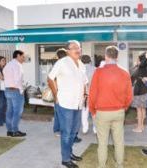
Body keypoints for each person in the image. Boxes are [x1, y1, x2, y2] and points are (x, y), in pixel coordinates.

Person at [89, 46, 133, 168]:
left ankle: (102, 166)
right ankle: (119, 165)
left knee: (102, 142)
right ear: (117, 57)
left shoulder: (98, 72)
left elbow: (92, 93)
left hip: (102, 112)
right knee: (119, 141)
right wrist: (124, 107)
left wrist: (92, 110)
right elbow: (129, 95)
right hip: (119, 111)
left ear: (106, 56)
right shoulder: (124, 72)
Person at [48, 40, 87, 168]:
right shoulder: (62, 62)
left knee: (73, 132)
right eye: (74, 47)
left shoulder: (81, 64)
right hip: (65, 103)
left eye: (79, 47)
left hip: (78, 104)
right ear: (68, 51)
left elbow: (84, 81)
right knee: (66, 132)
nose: (78, 49)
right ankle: (65, 159)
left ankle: (69, 153)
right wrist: (55, 95)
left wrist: (85, 93)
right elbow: (50, 78)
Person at [3, 50, 26, 137]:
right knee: (17, 112)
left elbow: (5, 76)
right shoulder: (17, 65)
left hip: (7, 90)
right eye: (23, 56)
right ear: (18, 56)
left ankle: (9, 131)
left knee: (9, 111)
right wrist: (21, 90)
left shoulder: (8, 64)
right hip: (16, 90)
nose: (24, 58)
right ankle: (15, 131)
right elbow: (17, 80)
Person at [131, 52, 147, 132]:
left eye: (137, 59)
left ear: (140, 60)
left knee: (139, 110)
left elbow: (132, 77)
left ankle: (139, 127)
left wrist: (136, 66)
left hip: (139, 91)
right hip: (145, 90)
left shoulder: (140, 68)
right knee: (142, 109)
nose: (136, 61)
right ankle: (141, 126)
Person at [80, 55, 96, 134]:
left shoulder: (79, 69)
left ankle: (85, 128)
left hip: (83, 94)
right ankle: (95, 128)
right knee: (94, 111)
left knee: (84, 111)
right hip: (94, 93)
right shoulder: (95, 69)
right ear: (90, 61)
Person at [53, 48, 67, 136]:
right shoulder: (59, 65)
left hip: (60, 92)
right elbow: (52, 79)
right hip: (60, 92)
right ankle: (58, 130)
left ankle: (58, 130)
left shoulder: (58, 64)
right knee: (60, 113)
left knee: (59, 112)